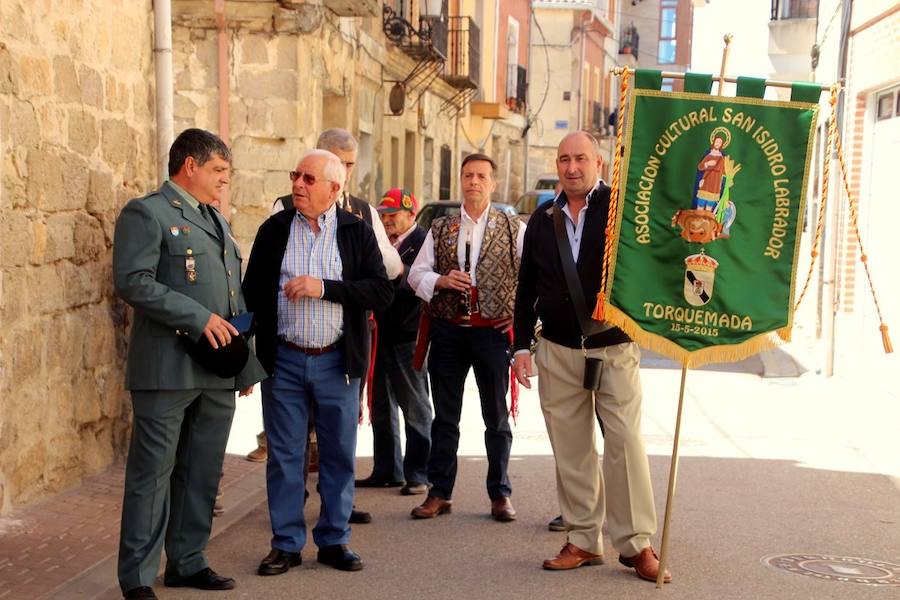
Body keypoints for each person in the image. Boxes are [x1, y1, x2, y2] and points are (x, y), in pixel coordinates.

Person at [112, 128, 267, 600]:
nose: (225, 180)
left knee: (202, 471)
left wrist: (244, 364)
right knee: (152, 475)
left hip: (216, 371)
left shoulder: (215, 220)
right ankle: (137, 577)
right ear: (190, 166)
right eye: (219, 170)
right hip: (167, 369)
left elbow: (232, 296)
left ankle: (188, 560)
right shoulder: (148, 213)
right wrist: (199, 319)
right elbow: (133, 282)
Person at [512, 131, 670, 583]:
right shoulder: (542, 219)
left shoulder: (623, 210)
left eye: (581, 158)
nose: (572, 167)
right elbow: (527, 289)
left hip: (614, 348)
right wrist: (521, 345)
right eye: (564, 159)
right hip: (557, 352)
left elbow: (654, 262)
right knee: (572, 449)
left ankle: (637, 545)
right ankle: (583, 538)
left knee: (625, 445)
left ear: (599, 162)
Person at [242, 149, 392, 576]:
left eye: (309, 179)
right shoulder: (274, 230)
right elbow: (252, 294)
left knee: (338, 456)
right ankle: (286, 544)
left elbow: (380, 293)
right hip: (284, 360)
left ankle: (334, 540)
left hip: (335, 362)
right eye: (296, 175)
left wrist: (323, 288)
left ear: (334, 189)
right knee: (285, 456)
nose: (299, 185)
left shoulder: (355, 232)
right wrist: (246, 361)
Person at [407, 153, 525, 522]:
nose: (473, 181)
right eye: (468, 175)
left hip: (492, 334)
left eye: (481, 176)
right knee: (445, 418)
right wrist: (440, 280)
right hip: (448, 333)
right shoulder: (441, 228)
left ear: (493, 184)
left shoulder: (512, 227)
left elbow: (530, 278)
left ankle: (500, 494)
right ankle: (439, 492)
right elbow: (415, 275)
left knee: (496, 417)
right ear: (461, 181)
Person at [356, 188, 432, 495]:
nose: (387, 221)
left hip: (409, 335)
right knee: (381, 406)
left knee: (415, 406)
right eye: (383, 215)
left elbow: (428, 280)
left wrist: (403, 272)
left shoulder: (423, 240)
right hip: (379, 334)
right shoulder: (379, 242)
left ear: (411, 214)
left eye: (393, 215)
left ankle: (419, 473)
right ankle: (388, 470)